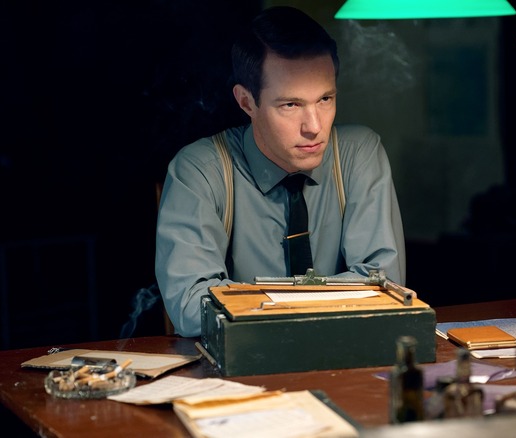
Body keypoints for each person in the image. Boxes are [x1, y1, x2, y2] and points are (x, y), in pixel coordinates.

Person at [155, 6, 406, 337]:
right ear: (247, 102)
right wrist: (332, 296)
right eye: (291, 105)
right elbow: (192, 306)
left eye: (325, 99)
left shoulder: (359, 153)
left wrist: (259, 300)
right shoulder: (200, 170)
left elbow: (386, 286)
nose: (315, 128)